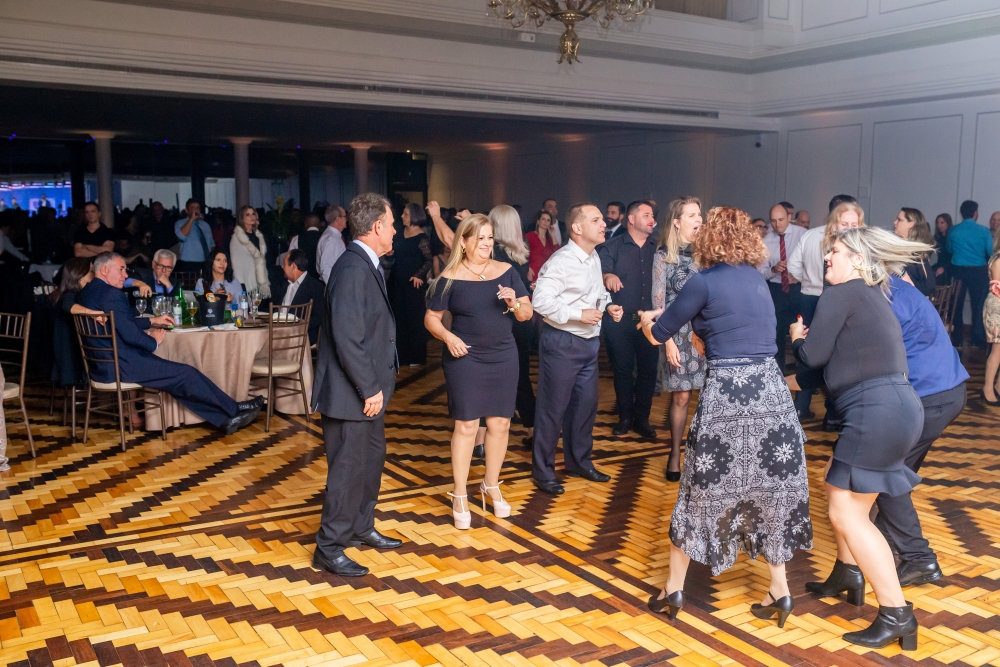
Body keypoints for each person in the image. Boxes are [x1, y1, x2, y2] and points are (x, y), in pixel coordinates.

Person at [638, 206, 810, 628]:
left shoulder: (703, 281)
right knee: (770, 492)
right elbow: (738, 327)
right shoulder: (756, 280)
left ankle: (674, 588)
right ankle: (781, 590)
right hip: (771, 393)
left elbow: (660, 334)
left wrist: (645, 322)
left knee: (699, 490)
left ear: (709, 238)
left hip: (728, 396)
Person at [792, 227, 931, 650]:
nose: (827, 257)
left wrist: (796, 339)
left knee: (847, 514)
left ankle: (896, 613)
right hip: (897, 407)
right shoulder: (870, 296)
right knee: (836, 485)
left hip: (875, 412)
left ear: (857, 259)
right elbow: (828, 369)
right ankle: (847, 573)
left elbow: (812, 356)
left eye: (834, 251)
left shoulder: (842, 293)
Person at [311, 193, 402, 578]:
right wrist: (370, 388)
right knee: (347, 471)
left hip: (365, 394)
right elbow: (348, 336)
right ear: (377, 227)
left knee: (370, 461)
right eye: (392, 224)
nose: (395, 230)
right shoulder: (351, 268)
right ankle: (329, 547)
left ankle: (361, 526)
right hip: (353, 396)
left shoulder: (366, 264)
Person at [424, 214, 532, 528]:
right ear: (464, 241)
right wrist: (449, 337)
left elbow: (526, 313)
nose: (486, 244)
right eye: (480, 238)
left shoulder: (507, 271)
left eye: (489, 238)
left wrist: (514, 303)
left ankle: (491, 485)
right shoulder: (449, 277)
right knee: (467, 425)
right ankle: (459, 493)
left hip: (503, 355)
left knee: (500, 423)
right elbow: (431, 319)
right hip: (465, 357)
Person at [78, 252, 263, 434]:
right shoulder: (111, 294)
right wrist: (153, 342)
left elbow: (120, 322)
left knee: (179, 380)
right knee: (186, 373)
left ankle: (225, 420)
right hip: (122, 365)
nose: (125, 275)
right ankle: (234, 408)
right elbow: (130, 335)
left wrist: (151, 321)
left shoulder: (86, 292)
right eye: (121, 269)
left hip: (102, 365)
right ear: (104, 270)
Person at [874, 274, 968, 586]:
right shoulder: (899, 287)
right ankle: (886, 542)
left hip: (929, 398)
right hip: (948, 391)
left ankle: (919, 559)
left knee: (885, 475)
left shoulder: (882, 298)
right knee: (897, 473)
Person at [531, 203, 624, 495]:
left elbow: (597, 292)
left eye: (602, 220)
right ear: (577, 228)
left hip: (589, 344)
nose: (603, 224)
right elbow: (540, 301)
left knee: (585, 407)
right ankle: (543, 471)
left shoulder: (593, 256)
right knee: (552, 409)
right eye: (596, 220)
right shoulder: (561, 261)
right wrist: (577, 314)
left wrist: (608, 306)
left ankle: (579, 463)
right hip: (562, 342)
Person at [787, 202, 865, 418]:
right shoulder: (841, 247)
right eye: (844, 223)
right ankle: (831, 413)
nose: (849, 228)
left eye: (854, 224)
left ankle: (802, 406)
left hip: (809, 296)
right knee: (816, 351)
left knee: (818, 350)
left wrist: (807, 281)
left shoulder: (810, 235)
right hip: (828, 298)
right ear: (835, 220)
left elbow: (793, 266)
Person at [652, 197, 706, 481]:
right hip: (676, 334)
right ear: (677, 221)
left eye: (700, 214)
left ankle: (705, 457)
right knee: (682, 396)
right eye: (692, 215)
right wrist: (668, 340)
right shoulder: (663, 257)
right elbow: (658, 304)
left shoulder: (707, 254)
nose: (699, 219)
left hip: (706, 333)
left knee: (711, 398)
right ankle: (675, 454)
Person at [599, 200, 658, 439]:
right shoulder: (612, 246)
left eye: (652, 215)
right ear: (632, 219)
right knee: (622, 370)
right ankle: (624, 417)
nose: (652, 219)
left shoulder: (659, 248)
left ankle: (642, 418)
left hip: (650, 321)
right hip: (619, 319)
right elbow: (599, 273)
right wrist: (608, 275)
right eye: (646, 215)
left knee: (648, 371)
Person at [489, 205, 537, 448]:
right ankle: (532, 429)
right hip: (520, 319)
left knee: (496, 376)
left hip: (503, 318)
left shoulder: (495, 253)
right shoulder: (520, 251)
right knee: (520, 375)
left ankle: (487, 433)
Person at [759, 203, 806, 369]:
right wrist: (773, 269)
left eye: (781, 220)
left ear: (789, 218)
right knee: (775, 332)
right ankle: (778, 371)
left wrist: (799, 276)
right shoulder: (765, 239)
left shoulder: (802, 234)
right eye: (773, 221)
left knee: (801, 330)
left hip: (797, 289)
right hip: (775, 290)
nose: (777, 224)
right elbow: (761, 273)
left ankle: (802, 373)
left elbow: (812, 264)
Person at [50, 257, 104, 391]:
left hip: (66, 357)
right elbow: (68, 306)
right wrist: (91, 312)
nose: (95, 274)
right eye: (91, 271)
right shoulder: (70, 294)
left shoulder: (66, 293)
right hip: (73, 360)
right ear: (80, 275)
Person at [388, 204, 432, 365]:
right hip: (397, 281)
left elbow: (428, 260)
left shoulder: (421, 238)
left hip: (413, 284)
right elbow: (395, 255)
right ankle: (401, 356)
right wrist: (390, 253)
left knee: (414, 319)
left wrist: (419, 275)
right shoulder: (400, 233)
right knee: (399, 318)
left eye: (405, 214)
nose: (402, 216)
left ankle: (416, 357)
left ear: (414, 216)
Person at [947, 200, 994, 348]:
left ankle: (957, 339)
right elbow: (990, 252)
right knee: (978, 305)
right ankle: (976, 340)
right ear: (975, 213)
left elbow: (949, 249)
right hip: (978, 271)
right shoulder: (984, 231)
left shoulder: (953, 230)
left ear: (962, 213)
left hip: (958, 270)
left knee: (957, 305)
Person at [280, 249, 325, 345]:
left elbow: (319, 317)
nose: (282, 266)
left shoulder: (314, 286)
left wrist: (296, 326)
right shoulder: (285, 285)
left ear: (293, 266)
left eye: (284, 263)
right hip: (279, 334)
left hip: (301, 338)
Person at [230, 205, 271, 301]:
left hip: (260, 278)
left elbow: (264, 256)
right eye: (247, 215)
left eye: (253, 214)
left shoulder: (259, 236)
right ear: (242, 218)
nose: (252, 217)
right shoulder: (237, 237)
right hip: (245, 278)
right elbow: (236, 261)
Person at [893, 208, 936, 296]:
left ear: (911, 224)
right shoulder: (898, 247)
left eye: (900, 220)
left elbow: (929, 286)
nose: (895, 222)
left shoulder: (916, 252)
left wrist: (906, 289)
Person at [173, 199, 213, 272]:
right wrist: (191, 219)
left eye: (198, 208)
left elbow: (211, 244)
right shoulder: (180, 223)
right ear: (187, 210)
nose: (196, 210)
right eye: (193, 208)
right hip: (189, 263)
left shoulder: (205, 225)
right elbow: (182, 235)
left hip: (206, 262)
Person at [982, 244, 1000, 406]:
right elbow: (998, 286)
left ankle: (998, 388)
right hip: (996, 307)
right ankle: (987, 389)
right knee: (997, 350)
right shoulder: (998, 260)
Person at [525, 210, 558, 286]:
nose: (545, 222)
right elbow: (521, 253)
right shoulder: (529, 236)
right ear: (538, 221)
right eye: (543, 219)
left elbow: (557, 253)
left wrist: (553, 235)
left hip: (546, 274)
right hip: (532, 272)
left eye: (548, 220)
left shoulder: (550, 241)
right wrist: (527, 268)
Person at [317, 204, 347, 284]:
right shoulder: (332, 239)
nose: (346, 219)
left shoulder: (331, 236)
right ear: (337, 219)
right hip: (336, 285)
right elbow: (326, 268)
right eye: (345, 217)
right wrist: (335, 288)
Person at [289, 213, 323, 280]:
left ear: (305, 224)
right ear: (319, 224)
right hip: (320, 278)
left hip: (302, 278)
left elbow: (291, 259)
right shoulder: (325, 238)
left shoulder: (297, 239)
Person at [933, 213, 952, 285]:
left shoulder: (951, 236)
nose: (939, 225)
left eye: (942, 223)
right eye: (938, 223)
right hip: (940, 264)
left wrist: (944, 268)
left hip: (949, 266)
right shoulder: (937, 237)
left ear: (948, 223)